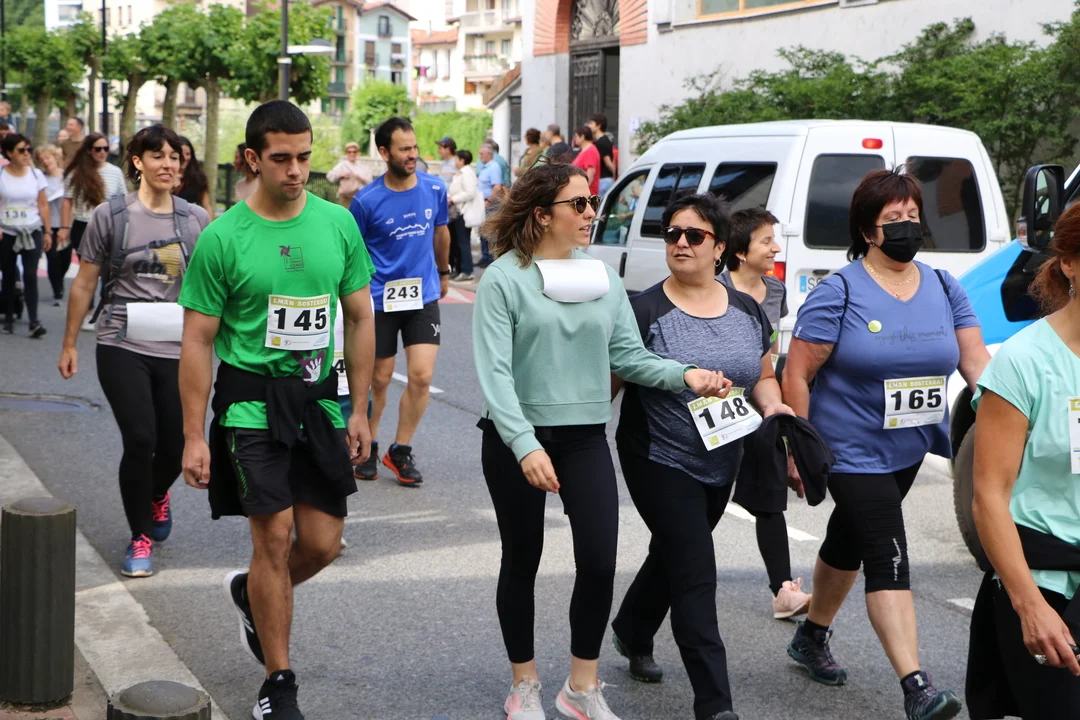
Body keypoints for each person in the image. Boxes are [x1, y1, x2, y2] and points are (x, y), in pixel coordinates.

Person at [473, 162, 731, 720]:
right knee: (522, 559)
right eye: (579, 204)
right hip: (515, 439)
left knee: (598, 560)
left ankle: (581, 687)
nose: (592, 212)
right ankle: (524, 683)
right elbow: (494, 375)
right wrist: (524, 445)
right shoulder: (503, 279)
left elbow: (629, 357)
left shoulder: (602, 277)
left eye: (592, 202)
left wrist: (684, 374)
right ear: (543, 215)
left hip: (585, 437)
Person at [178, 101, 376, 720]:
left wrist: (360, 410)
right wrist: (193, 436)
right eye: (282, 158)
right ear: (252, 159)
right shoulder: (223, 237)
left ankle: (251, 595)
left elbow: (360, 317)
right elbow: (197, 340)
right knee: (274, 535)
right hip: (249, 402)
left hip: (318, 401)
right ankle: (279, 683)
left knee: (322, 544)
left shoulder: (337, 224)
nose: (295, 170)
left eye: (304, 157)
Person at [781, 168, 989, 720]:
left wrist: (1015, 408)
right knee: (886, 550)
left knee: (850, 539)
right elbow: (798, 373)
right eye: (893, 218)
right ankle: (916, 686)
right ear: (866, 230)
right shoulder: (840, 290)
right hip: (848, 448)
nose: (906, 226)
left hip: (908, 446)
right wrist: (798, 446)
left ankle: (811, 636)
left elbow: (975, 362)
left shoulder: (944, 286)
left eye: (913, 216)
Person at [609, 193, 789, 720]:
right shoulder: (643, 311)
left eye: (694, 235)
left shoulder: (747, 309)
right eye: (672, 234)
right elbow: (608, 387)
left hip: (721, 457)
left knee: (673, 554)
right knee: (695, 572)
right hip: (657, 458)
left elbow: (764, 375)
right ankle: (715, 705)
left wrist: (776, 410)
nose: (681, 243)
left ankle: (632, 630)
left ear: (720, 247)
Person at [57, 124, 210, 577]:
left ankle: (156, 493)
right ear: (138, 162)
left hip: (179, 345)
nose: (168, 164)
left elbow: (209, 286)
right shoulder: (111, 215)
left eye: (174, 157)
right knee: (141, 438)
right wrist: (70, 343)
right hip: (120, 339)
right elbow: (85, 283)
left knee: (176, 442)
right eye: (157, 156)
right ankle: (139, 534)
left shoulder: (196, 220)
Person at [967, 201, 1080, 719]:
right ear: (1069, 264)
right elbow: (988, 495)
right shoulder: (1023, 361)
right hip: (1046, 584)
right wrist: (1029, 605)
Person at [718, 208, 811, 618]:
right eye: (766, 241)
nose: (775, 248)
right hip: (717, 405)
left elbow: (769, 353)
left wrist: (773, 401)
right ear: (740, 251)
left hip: (761, 401)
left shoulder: (775, 291)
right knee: (701, 503)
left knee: (771, 493)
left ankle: (783, 590)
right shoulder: (716, 288)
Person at [349, 116, 450, 487]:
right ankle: (369, 444)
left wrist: (444, 273)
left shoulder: (435, 188)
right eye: (404, 148)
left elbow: (441, 233)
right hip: (379, 300)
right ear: (384, 152)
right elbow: (353, 253)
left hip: (422, 295)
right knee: (379, 378)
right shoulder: (366, 201)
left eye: (414, 147)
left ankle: (400, 450)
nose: (412, 154)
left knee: (421, 376)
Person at [0, 133, 51, 337]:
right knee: (9, 276)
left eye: (28, 149)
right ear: (9, 153)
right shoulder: (2, 175)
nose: (26, 154)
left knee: (30, 274)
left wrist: (48, 231)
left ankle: (34, 322)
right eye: (21, 150)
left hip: (31, 230)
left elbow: (43, 205)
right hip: (7, 232)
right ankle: (9, 319)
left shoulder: (36, 175)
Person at [59, 132, 128, 259]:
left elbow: (123, 200)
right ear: (89, 150)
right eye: (98, 149)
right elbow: (67, 201)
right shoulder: (76, 172)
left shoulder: (115, 172)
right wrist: (64, 227)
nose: (103, 152)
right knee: (87, 266)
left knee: (108, 266)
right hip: (84, 226)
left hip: (108, 226)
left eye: (106, 149)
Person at [36, 145, 68, 306]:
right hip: (47, 224)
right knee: (52, 258)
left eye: (48, 158)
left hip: (65, 223)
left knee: (65, 259)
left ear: (56, 157)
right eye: (42, 160)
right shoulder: (40, 178)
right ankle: (58, 291)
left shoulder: (67, 177)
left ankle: (59, 280)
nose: (45, 162)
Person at [447, 149, 478, 282]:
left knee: (463, 242)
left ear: (462, 160)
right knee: (456, 241)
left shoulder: (467, 173)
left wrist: (453, 199)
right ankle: (458, 268)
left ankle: (467, 270)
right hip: (456, 212)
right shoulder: (460, 173)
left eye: (456, 159)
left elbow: (470, 192)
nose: (454, 161)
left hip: (463, 211)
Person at [475, 143, 504, 268]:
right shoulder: (485, 167)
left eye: (482, 154)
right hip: (482, 203)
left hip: (489, 204)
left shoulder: (494, 167)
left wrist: (489, 201)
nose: (480, 156)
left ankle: (491, 258)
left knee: (489, 232)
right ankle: (485, 256)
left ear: (489, 154)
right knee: (482, 231)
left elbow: (497, 187)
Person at [174, 136, 213, 216]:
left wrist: (210, 222)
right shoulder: (166, 175)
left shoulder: (198, 177)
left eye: (188, 154)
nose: (184, 158)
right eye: (181, 154)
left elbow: (206, 205)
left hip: (191, 218)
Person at [326, 141, 372, 206]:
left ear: (357, 153)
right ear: (346, 153)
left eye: (354, 152)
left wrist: (359, 177)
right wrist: (340, 175)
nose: (352, 154)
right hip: (345, 198)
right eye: (349, 152)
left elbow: (370, 182)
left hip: (359, 198)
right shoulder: (342, 165)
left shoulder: (363, 167)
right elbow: (329, 176)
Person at [586, 115, 616, 195]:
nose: (589, 126)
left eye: (591, 123)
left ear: (598, 126)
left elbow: (608, 162)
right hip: (605, 180)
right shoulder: (603, 140)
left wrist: (615, 176)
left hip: (603, 180)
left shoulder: (601, 142)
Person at [571, 126, 601, 197]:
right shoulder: (585, 150)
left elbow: (590, 175)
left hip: (586, 194)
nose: (575, 139)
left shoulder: (590, 151)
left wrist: (582, 192)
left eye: (576, 136)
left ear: (582, 137)